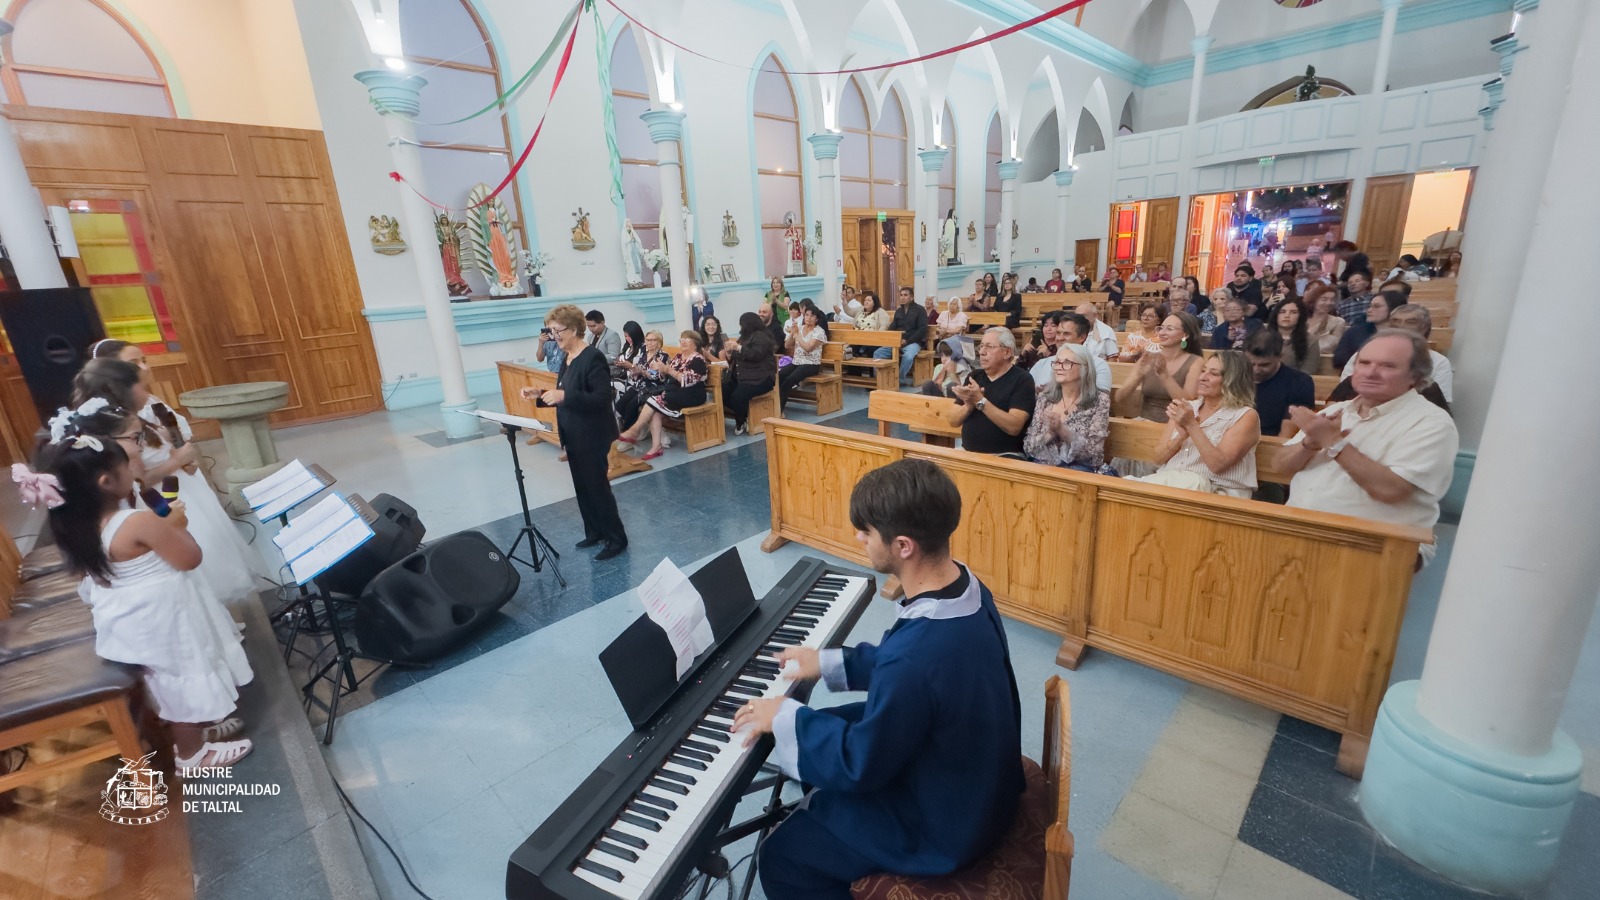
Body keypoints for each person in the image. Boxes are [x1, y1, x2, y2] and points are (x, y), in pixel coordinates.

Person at [746, 458, 1023, 900]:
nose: (860, 537)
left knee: (783, 854)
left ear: (903, 546)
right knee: (831, 722)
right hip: (984, 779)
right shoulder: (967, 586)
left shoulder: (914, 660)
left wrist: (785, 718)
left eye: (867, 532)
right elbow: (915, 665)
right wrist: (832, 662)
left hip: (947, 823)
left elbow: (863, 764)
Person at [25, 428, 254, 768]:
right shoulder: (137, 523)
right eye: (126, 467)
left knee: (168, 680)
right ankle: (191, 754)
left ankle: (198, 729)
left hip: (130, 622)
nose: (134, 472)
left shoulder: (74, 527)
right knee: (183, 677)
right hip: (165, 621)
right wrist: (176, 524)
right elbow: (190, 558)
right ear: (106, 482)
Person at [1279, 330, 1459, 566]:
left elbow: (1390, 490)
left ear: (1414, 376)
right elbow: (1280, 465)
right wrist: (1308, 445)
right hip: (1298, 532)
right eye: (1364, 363)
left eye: (1388, 366)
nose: (1371, 372)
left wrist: (1333, 442)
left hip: (1375, 548)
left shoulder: (1431, 423)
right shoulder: (1337, 410)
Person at [522, 305, 627, 559]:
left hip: (592, 434)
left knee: (597, 488)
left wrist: (565, 395)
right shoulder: (567, 357)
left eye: (558, 330)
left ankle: (616, 539)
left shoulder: (592, 357)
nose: (554, 335)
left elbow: (602, 398)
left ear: (574, 329)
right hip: (574, 433)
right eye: (551, 330)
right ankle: (594, 532)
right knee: (582, 487)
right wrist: (540, 395)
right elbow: (564, 395)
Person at [1131, 352, 1260, 498]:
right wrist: (1181, 437)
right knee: (1130, 490)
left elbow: (1218, 465)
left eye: (1213, 374)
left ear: (1233, 380)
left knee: (1189, 483)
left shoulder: (1245, 416)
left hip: (1217, 491)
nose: (1202, 377)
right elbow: (1158, 458)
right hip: (1172, 484)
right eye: (1203, 370)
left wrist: (1192, 426)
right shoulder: (1186, 408)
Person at [618, 331, 711, 461]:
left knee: (653, 400)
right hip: (675, 393)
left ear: (695, 343)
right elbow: (666, 377)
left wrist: (667, 369)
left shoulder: (698, 360)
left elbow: (687, 381)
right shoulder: (678, 357)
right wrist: (660, 370)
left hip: (692, 394)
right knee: (655, 410)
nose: (683, 341)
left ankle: (635, 429)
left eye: (687, 339)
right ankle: (656, 447)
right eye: (682, 338)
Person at [1338, 303, 1453, 403]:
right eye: (1396, 321)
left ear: (1424, 327)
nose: (1401, 326)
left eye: (1410, 322)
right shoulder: (1366, 354)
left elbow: (1439, 401)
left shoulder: (1439, 362)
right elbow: (1346, 388)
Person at [1023, 343, 1110, 471]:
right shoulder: (1045, 398)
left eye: (1067, 362)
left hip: (1079, 470)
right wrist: (1049, 434)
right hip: (1043, 467)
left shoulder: (1099, 400)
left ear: (1084, 368)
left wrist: (1062, 430)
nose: (1059, 367)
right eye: (1057, 362)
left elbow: (1093, 454)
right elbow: (1028, 447)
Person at [949, 328, 1034, 454]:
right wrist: (969, 404)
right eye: (981, 346)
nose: (982, 352)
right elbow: (952, 421)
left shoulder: (1022, 380)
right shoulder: (974, 377)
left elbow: (1014, 427)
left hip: (1005, 457)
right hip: (967, 452)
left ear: (1007, 352)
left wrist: (981, 401)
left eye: (989, 347)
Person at [1117, 311, 1203, 422]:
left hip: (1177, 425)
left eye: (1169, 329)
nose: (1162, 333)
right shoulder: (1148, 358)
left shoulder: (1195, 361)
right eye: (1161, 328)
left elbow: (1188, 402)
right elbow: (1119, 398)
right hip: (1144, 422)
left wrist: (1164, 375)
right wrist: (1137, 377)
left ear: (1185, 334)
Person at [1244, 330, 1315, 438]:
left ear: (1280, 356)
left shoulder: (1299, 382)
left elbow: (1285, 436)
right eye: (1251, 363)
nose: (1256, 370)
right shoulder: (1234, 375)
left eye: (1264, 365)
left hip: (1270, 443)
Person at [727, 313, 777, 435]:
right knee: (724, 390)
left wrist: (738, 348)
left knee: (738, 396)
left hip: (761, 378)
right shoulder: (744, 337)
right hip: (745, 376)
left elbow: (755, 354)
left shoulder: (761, 337)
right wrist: (730, 352)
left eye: (741, 325)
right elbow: (737, 355)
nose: (740, 328)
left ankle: (740, 421)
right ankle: (743, 415)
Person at [1333, 289, 1406, 370]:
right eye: (1370, 306)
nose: (1369, 310)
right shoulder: (1354, 333)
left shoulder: (1405, 335)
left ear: (1394, 308)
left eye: (1377, 306)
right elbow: (1339, 361)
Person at [612, 328, 670, 427]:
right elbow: (639, 369)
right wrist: (634, 372)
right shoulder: (644, 354)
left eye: (653, 340)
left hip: (654, 387)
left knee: (631, 406)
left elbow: (656, 377)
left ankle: (630, 431)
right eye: (647, 340)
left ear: (659, 342)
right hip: (640, 384)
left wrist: (641, 371)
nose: (649, 343)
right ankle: (629, 428)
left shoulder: (662, 356)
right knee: (621, 403)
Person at [779, 306, 828, 409]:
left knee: (790, 379)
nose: (808, 318)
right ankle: (774, 403)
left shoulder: (819, 332)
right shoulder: (800, 329)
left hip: (811, 364)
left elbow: (808, 348)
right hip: (797, 362)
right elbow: (787, 345)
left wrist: (797, 336)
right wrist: (793, 332)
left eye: (812, 316)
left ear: (817, 319)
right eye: (806, 315)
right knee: (779, 375)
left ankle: (779, 408)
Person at [876, 286, 928, 383]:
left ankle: (899, 379)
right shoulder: (899, 311)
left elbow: (922, 329)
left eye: (905, 295)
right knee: (878, 353)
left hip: (913, 342)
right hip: (898, 341)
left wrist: (907, 341)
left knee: (908, 357)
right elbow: (892, 327)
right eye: (901, 295)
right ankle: (881, 379)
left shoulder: (920, 310)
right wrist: (887, 338)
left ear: (911, 297)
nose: (902, 297)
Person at [1054, 313, 1113, 394]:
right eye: (1058, 333)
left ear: (1082, 337)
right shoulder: (1042, 364)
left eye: (1066, 334)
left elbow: (1101, 399)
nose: (1059, 338)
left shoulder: (1098, 365)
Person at [1270, 298, 1319, 375]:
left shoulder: (1310, 340)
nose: (1287, 315)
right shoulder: (1262, 336)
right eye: (1282, 312)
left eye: (1293, 312)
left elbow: (1308, 371)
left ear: (1300, 316)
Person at [1305, 283, 1347, 356]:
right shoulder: (1301, 319)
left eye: (1332, 300)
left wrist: (1321, 328)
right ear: (1313, 301)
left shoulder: (1338, 322)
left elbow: (1332, 347)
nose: (1329, 303)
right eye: (1324, 299)